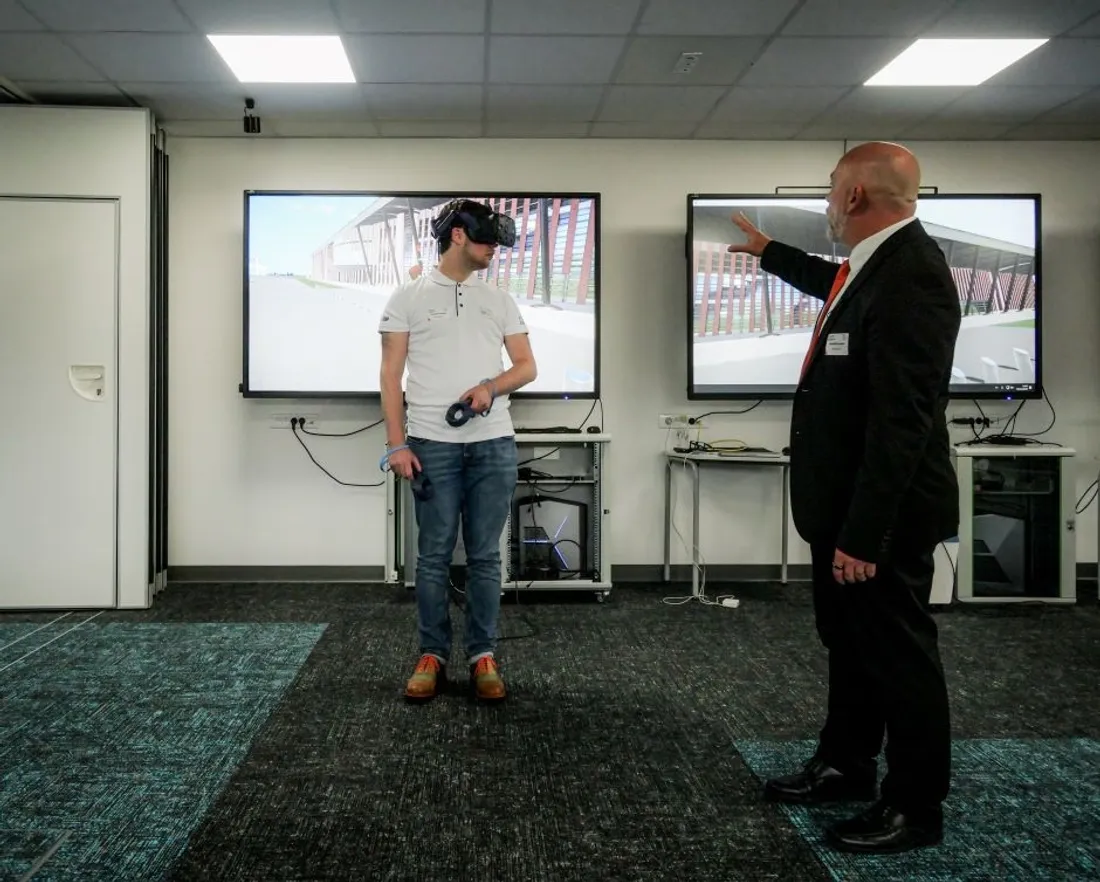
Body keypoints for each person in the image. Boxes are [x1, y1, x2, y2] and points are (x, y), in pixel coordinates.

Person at [727, 142, 961, 854]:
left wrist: (864, 535)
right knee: (852, 645)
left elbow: (901, 425)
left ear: (856, 195)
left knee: (898, 656)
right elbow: (831, 284)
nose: (828, 199)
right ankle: (846, 765)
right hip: (847, 508)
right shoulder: (874, 266)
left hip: (879, 518)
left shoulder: (912, 274)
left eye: (831, 187)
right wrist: (769, 252)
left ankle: (915, 806)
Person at [378, 199, 537, 704]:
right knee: (433, 557)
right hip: (431, 445)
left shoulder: (499, 300)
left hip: (492, 444)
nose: (495, 249)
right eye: (487, 239)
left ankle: (482, 655)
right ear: (459, 236)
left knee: (486, 556)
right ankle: (432, 655)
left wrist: (491, 387)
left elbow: (527, 366)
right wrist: (396, 444)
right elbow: (390, 376)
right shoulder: (407, 297)